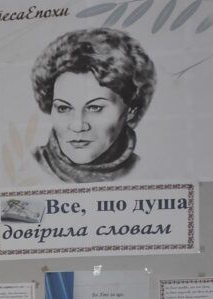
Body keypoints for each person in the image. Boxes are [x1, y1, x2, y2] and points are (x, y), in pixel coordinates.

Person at [30, 28, 156, 184]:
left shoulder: (149, 172)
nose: (78, 126)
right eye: (63, 108)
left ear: (131, 110)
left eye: (94, 108)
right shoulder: (27, 167)